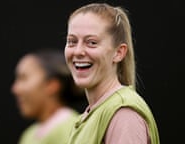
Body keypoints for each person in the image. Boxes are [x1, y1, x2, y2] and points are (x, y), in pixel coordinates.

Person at [64, 2, 160, 144]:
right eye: (72, 41)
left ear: (119, 53)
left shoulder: (124, 114)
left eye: (91, 42)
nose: (78, 51)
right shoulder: (93, 114)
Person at [11, 48, 86, 144]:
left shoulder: (72, 129)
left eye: (24, 78)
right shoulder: (29, 134)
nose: (15, 89)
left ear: (51, 84)